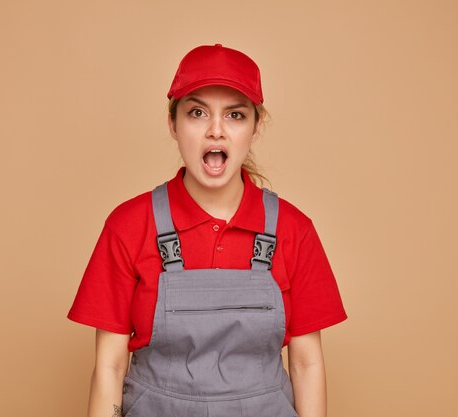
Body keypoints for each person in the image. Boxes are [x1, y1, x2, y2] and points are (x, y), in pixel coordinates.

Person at [67, 43, 347, 417]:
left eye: (235, 115)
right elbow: (109, 367)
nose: (216, 131)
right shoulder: (129, 225)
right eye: (197, 113)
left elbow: (306, 364)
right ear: (173, 124)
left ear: (256, 127)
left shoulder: (293, 229)